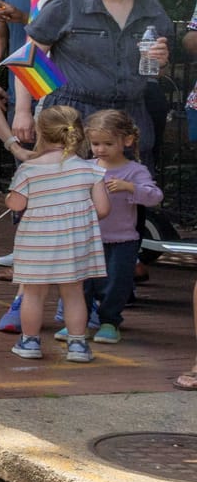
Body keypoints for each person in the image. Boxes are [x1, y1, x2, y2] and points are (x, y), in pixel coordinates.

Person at [27, 0, 174, 159]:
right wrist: (30, 109)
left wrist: (161, 63)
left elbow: (159, 72)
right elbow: (28, 57)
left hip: (130, 113)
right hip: (71, 113)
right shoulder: (68, 4)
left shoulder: (152, 10)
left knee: (127, 189)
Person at [5, 105, 110, 363]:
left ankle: (30, 342)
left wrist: (9, 196)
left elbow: (16, 204)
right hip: (74, 241)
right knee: (74, 293)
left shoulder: (30, 169)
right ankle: (77, 345)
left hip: (37, 241)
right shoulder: (89, 169)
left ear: (41, 132)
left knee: (32, 293)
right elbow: (103, 209)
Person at [83, 109, 159, 343]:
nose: (100, 149)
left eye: (107, 143)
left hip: (123, 239)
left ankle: (109, 321)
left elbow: (155, 196)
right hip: (88, 237)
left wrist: (130, 188)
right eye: (95, 143)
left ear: (126, 141)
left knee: (117, 282)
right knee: (82, 283)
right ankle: (78, 323)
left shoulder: (135, 171)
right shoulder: (86, 167)